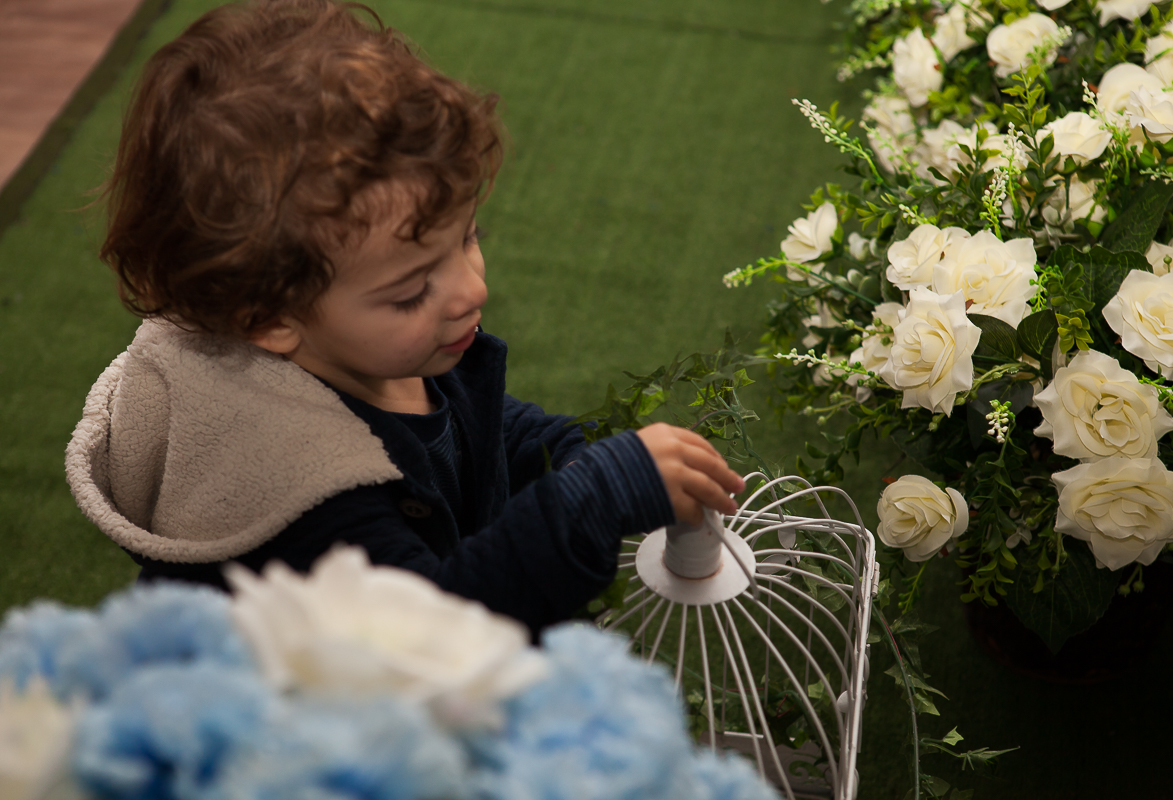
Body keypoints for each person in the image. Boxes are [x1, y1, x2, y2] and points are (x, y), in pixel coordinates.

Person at [65, 0, 744, 635]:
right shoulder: (297, 492)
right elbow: (437, 637)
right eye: (411, 289)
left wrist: (569, 454)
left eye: (469, 236)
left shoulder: (376, 355)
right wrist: (582, 503)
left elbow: (463, 427)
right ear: (268, 316)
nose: (469, 291)